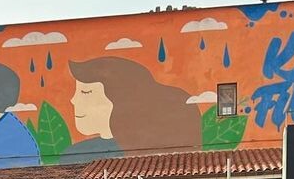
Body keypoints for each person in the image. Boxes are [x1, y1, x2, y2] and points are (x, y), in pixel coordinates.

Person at [60, 57, 200, 164]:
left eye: (85, 92)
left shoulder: (138, 154)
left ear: (118, 98)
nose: (73, 100)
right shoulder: (74, 153)